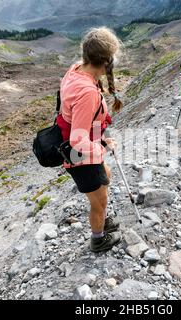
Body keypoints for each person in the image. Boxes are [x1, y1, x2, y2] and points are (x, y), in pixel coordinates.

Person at [57, 27, 123, 253]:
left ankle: (102, 221)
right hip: (80, 156)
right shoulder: (87, 92)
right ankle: (98, 240)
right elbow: (78, 140)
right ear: (106, 62)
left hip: (83, 150)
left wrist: (101, 140)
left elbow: (85, 120)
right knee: (99, 201)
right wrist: (101, 148)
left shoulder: (77, 69)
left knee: (105, 178)